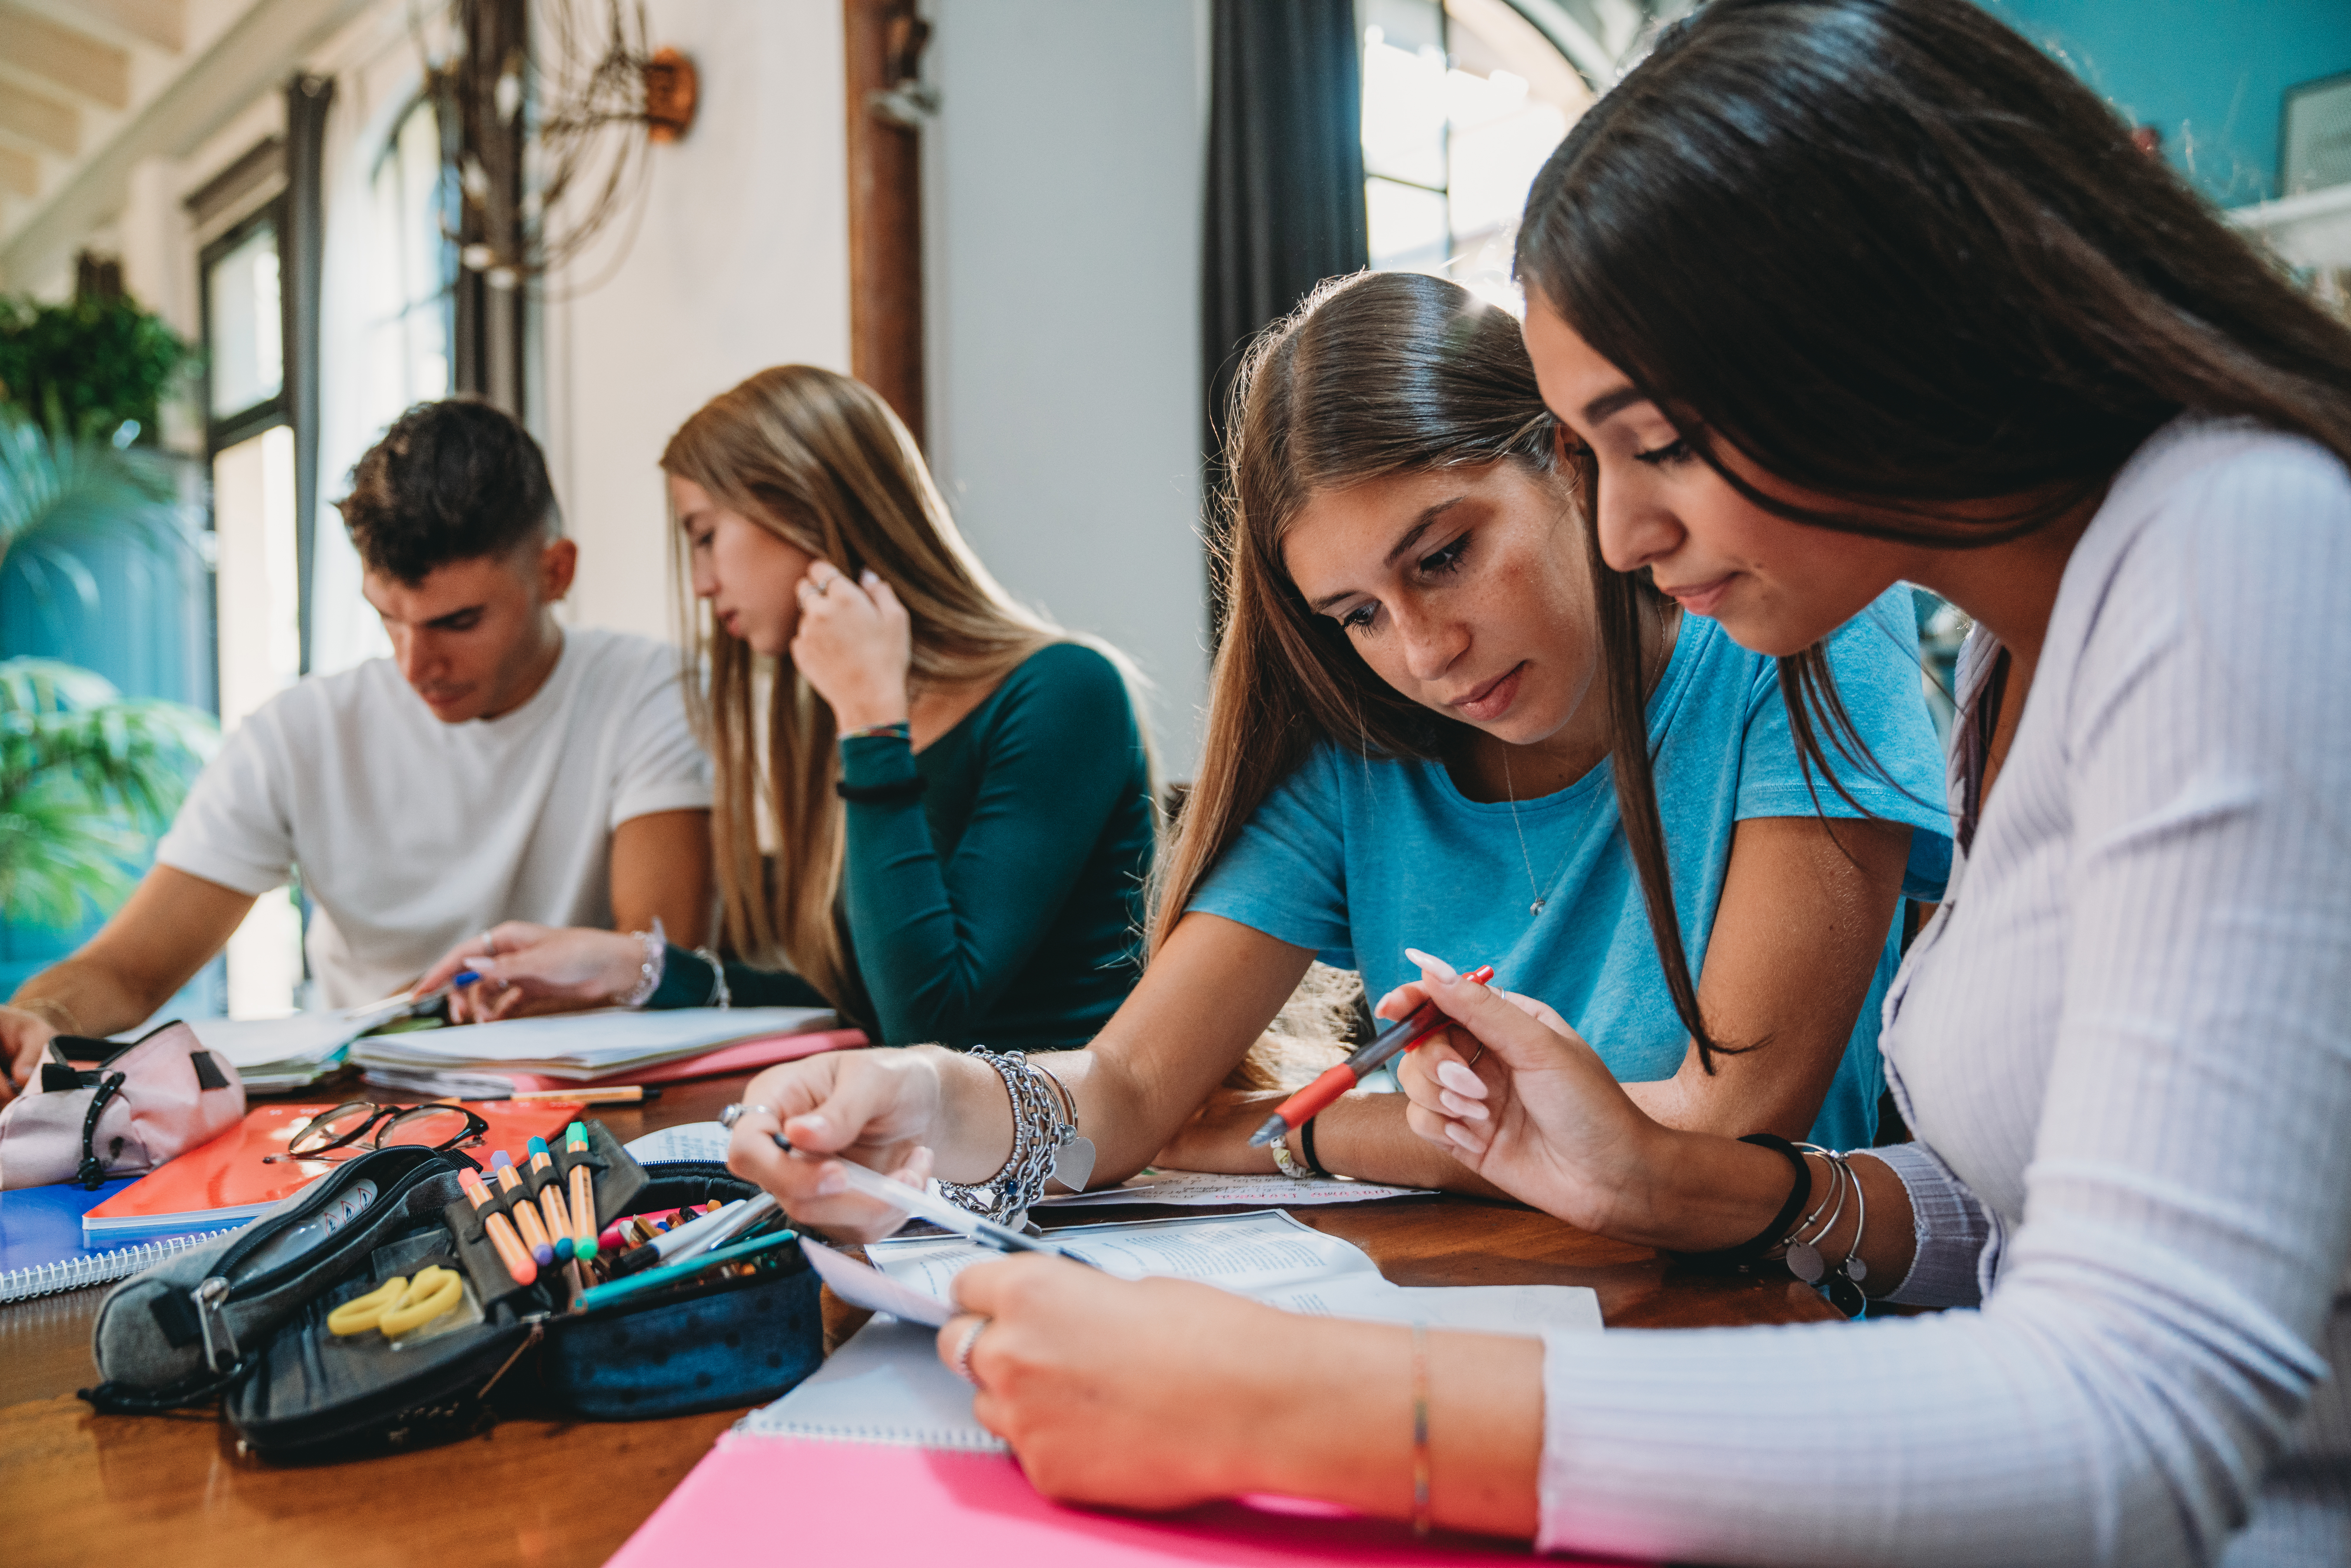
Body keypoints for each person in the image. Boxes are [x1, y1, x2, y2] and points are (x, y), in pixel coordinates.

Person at [796, 1, 2351, 1562]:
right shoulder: (2030, 656)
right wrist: (1688, 1179)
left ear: (1877, 324)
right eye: (1603, 460)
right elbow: (2009, 1224)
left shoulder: (2232, 551)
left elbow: (2147, 1413)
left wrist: (1324, 1394)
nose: (1624, 537)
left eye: (1655, 442)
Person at [718, 266, 1950, 1228]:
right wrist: (929, 1095)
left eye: (1443, 557)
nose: (1420, 653)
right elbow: (1132, 1093)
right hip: (1469, 1307)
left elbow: (1727, 1121)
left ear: (1567, 462)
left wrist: (1300, 1131)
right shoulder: (1362, 750)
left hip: (1760, 1316)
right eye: (1354, 613)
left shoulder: (1795, 629)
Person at [415, 366, 1158, 1054]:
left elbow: (926, 1024)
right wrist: (633, 967)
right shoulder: (832, 718)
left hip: (1075, 1172)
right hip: (939, 1153)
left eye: (707, 537)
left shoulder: (1065, 690)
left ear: (805, 507)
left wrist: (871, 722)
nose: (702, 584)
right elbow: (859, 1001)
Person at [0, 398, 714, 1102]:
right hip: (361, 1118)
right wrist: (41, 1020)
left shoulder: (649, 690)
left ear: (555, 573)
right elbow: (129, 969)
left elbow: (655, 953)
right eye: (387, 619)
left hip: (587, 1100)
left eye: (458, 621)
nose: (415, 664)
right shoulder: (298, 733)